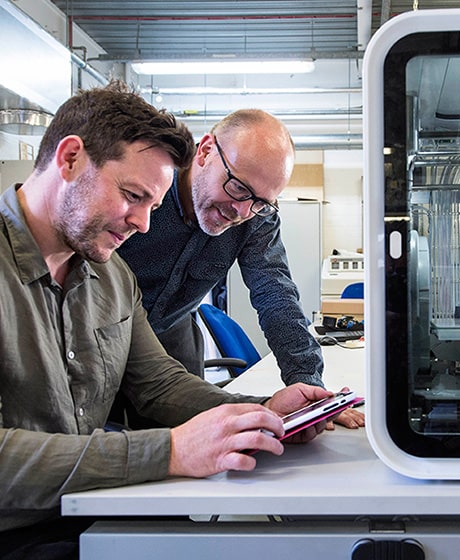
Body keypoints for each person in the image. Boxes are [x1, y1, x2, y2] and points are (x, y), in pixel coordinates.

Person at [0, 81, 337, 559]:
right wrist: (171, 451)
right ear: (70, 159)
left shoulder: (109, 273)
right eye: (133, 196)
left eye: (153, 207)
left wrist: (265, 413)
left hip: (88, 504)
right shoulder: (93, 251)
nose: (142, 223)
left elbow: (158, 384)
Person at [116, 109, 364, 430]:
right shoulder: (147, 191)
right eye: (237, 187)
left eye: (261, 201)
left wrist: (307, 388)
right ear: (205, 151)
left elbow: (276, 296)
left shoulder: (256, 217)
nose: (242, 211)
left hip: (174, 357)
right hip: (102, 344)